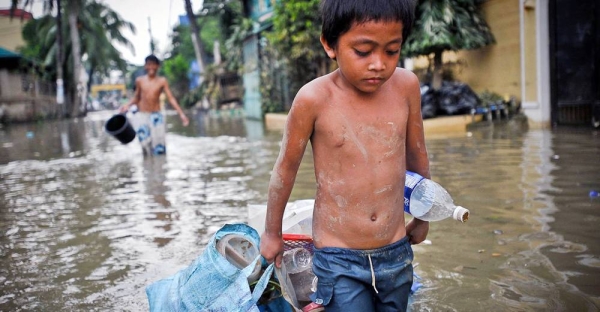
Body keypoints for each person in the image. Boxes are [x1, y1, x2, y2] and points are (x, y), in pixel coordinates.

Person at [259, 0, 430, 311]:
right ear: (330, 45)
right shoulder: (313, 99)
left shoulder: (406, 86)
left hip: (396, 250)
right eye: (363, 52)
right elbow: (285, 169)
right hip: (339, 256)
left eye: (392, 50)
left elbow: (417, 156)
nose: (379, 63)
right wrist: (272, 233)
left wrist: (422, 216)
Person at [120, 55, 189, 156]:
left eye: (153, 64)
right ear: (145, 66)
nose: (151, 67)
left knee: (159, 145)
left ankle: (160, 168)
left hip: (156, 116)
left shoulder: (162, 81)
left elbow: (171, 98)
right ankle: (148, 167)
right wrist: (127, 105)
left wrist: (181, 114)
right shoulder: (140, 81)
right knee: (144, 144)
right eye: (148, 64)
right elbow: (137, 98)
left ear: (157, 66)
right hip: (142, 115)